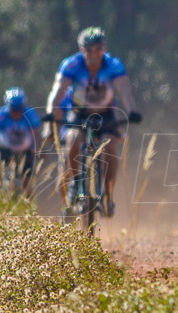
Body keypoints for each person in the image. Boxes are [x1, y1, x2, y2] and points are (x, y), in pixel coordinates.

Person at [43, 27, 141, 217]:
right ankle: (76, 182)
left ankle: (108, 195)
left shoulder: (114, 65)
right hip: (79, 113)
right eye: (89, 50)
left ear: (104, 48)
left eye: (98, 49)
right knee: (73, 138)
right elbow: (57, 93)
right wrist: (49, 116)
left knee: (110, 147)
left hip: (106, 114)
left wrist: (132, 111)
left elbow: (124, 90)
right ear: (81, 50)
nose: (94, 54)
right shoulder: (71, 65)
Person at [0, 87, 43, 194]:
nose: (17, 113)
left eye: (20, 109)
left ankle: (28, 204)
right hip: (4, 151)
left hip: (25, 152)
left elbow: (37, 136)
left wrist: (37, 150)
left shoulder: (31, 115)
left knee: (27, 183)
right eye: (14, 109)